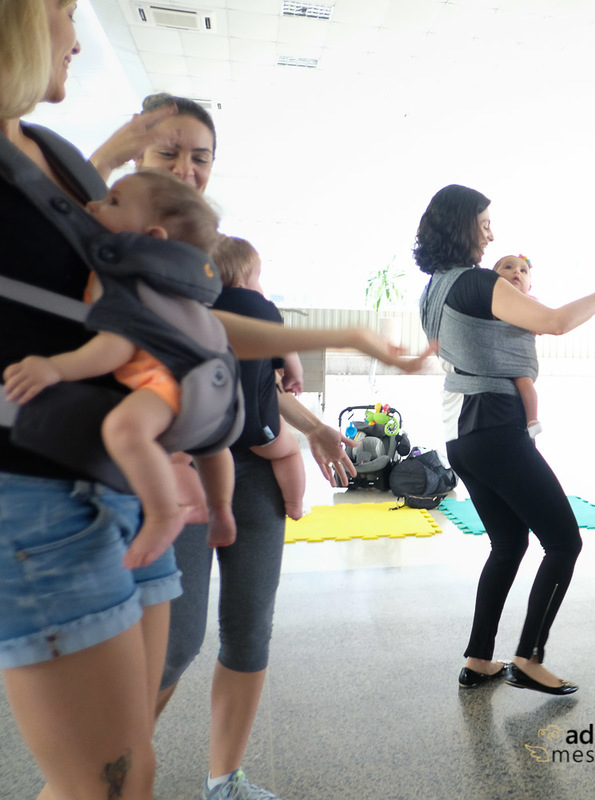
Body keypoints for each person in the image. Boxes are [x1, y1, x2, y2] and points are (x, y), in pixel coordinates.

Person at [1, 9, 423, 797]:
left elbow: (189, 327)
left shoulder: (58, 156)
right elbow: (93, 284)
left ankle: (223, 775)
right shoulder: (85, 182)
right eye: (62, 10)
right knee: (107, 774)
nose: (77, 32)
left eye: (202, 157)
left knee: (135, 762)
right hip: (57, 483)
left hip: (138, 474)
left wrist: (350, 347)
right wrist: (119, 156)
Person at [89, 93, 434, 800]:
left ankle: (225, 778)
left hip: (241, 465)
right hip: (170, 467)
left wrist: (313, 426)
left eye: (200, 157)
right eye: (168, 153)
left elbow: (233, 369)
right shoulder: (115, 250)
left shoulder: (210, 260)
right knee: (173, 646)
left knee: (249, 632)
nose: (186, 169)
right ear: (135, 157)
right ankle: (107, 778)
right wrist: (342, 337)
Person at [417, 184, 595, 696]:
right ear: (462, 227)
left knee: (509, 542)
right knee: (564, 541)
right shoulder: (475, 283)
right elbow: (556, 322)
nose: (491, 232)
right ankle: (529, 658)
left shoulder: (434, 287)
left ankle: (478, 658)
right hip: (495, 427)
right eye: (484, 223)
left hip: (462, 434)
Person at [4, 170, 237, 569]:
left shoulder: (123, 281)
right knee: (210, 445)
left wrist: (53, 368)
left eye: (112, 202)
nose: (93, 205)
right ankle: (221, 510)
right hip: (210, 385)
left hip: (165, 380)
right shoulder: (175, 286)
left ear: (152, 236)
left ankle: (163, 513)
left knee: (124, 429)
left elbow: (114, 347)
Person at [212, 235, 308, 522]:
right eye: (258, 277)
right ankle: (294, 505)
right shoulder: (262, 308)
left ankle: (215, 508)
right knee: (288, 452)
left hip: (207, 425)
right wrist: (295, 373)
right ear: (244, 278)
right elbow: (284, 345)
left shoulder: (202, 307)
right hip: (255, 424)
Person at [492, 254, 542, 437]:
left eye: (523, 271)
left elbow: (545, 320)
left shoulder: (530, 301)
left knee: (525, 383)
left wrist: (537, 325)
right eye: (508, 267)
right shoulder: (492, 299)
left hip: (520, 358)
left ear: (529, 285)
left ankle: (532, 419)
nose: (516, 272)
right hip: (496, 358)